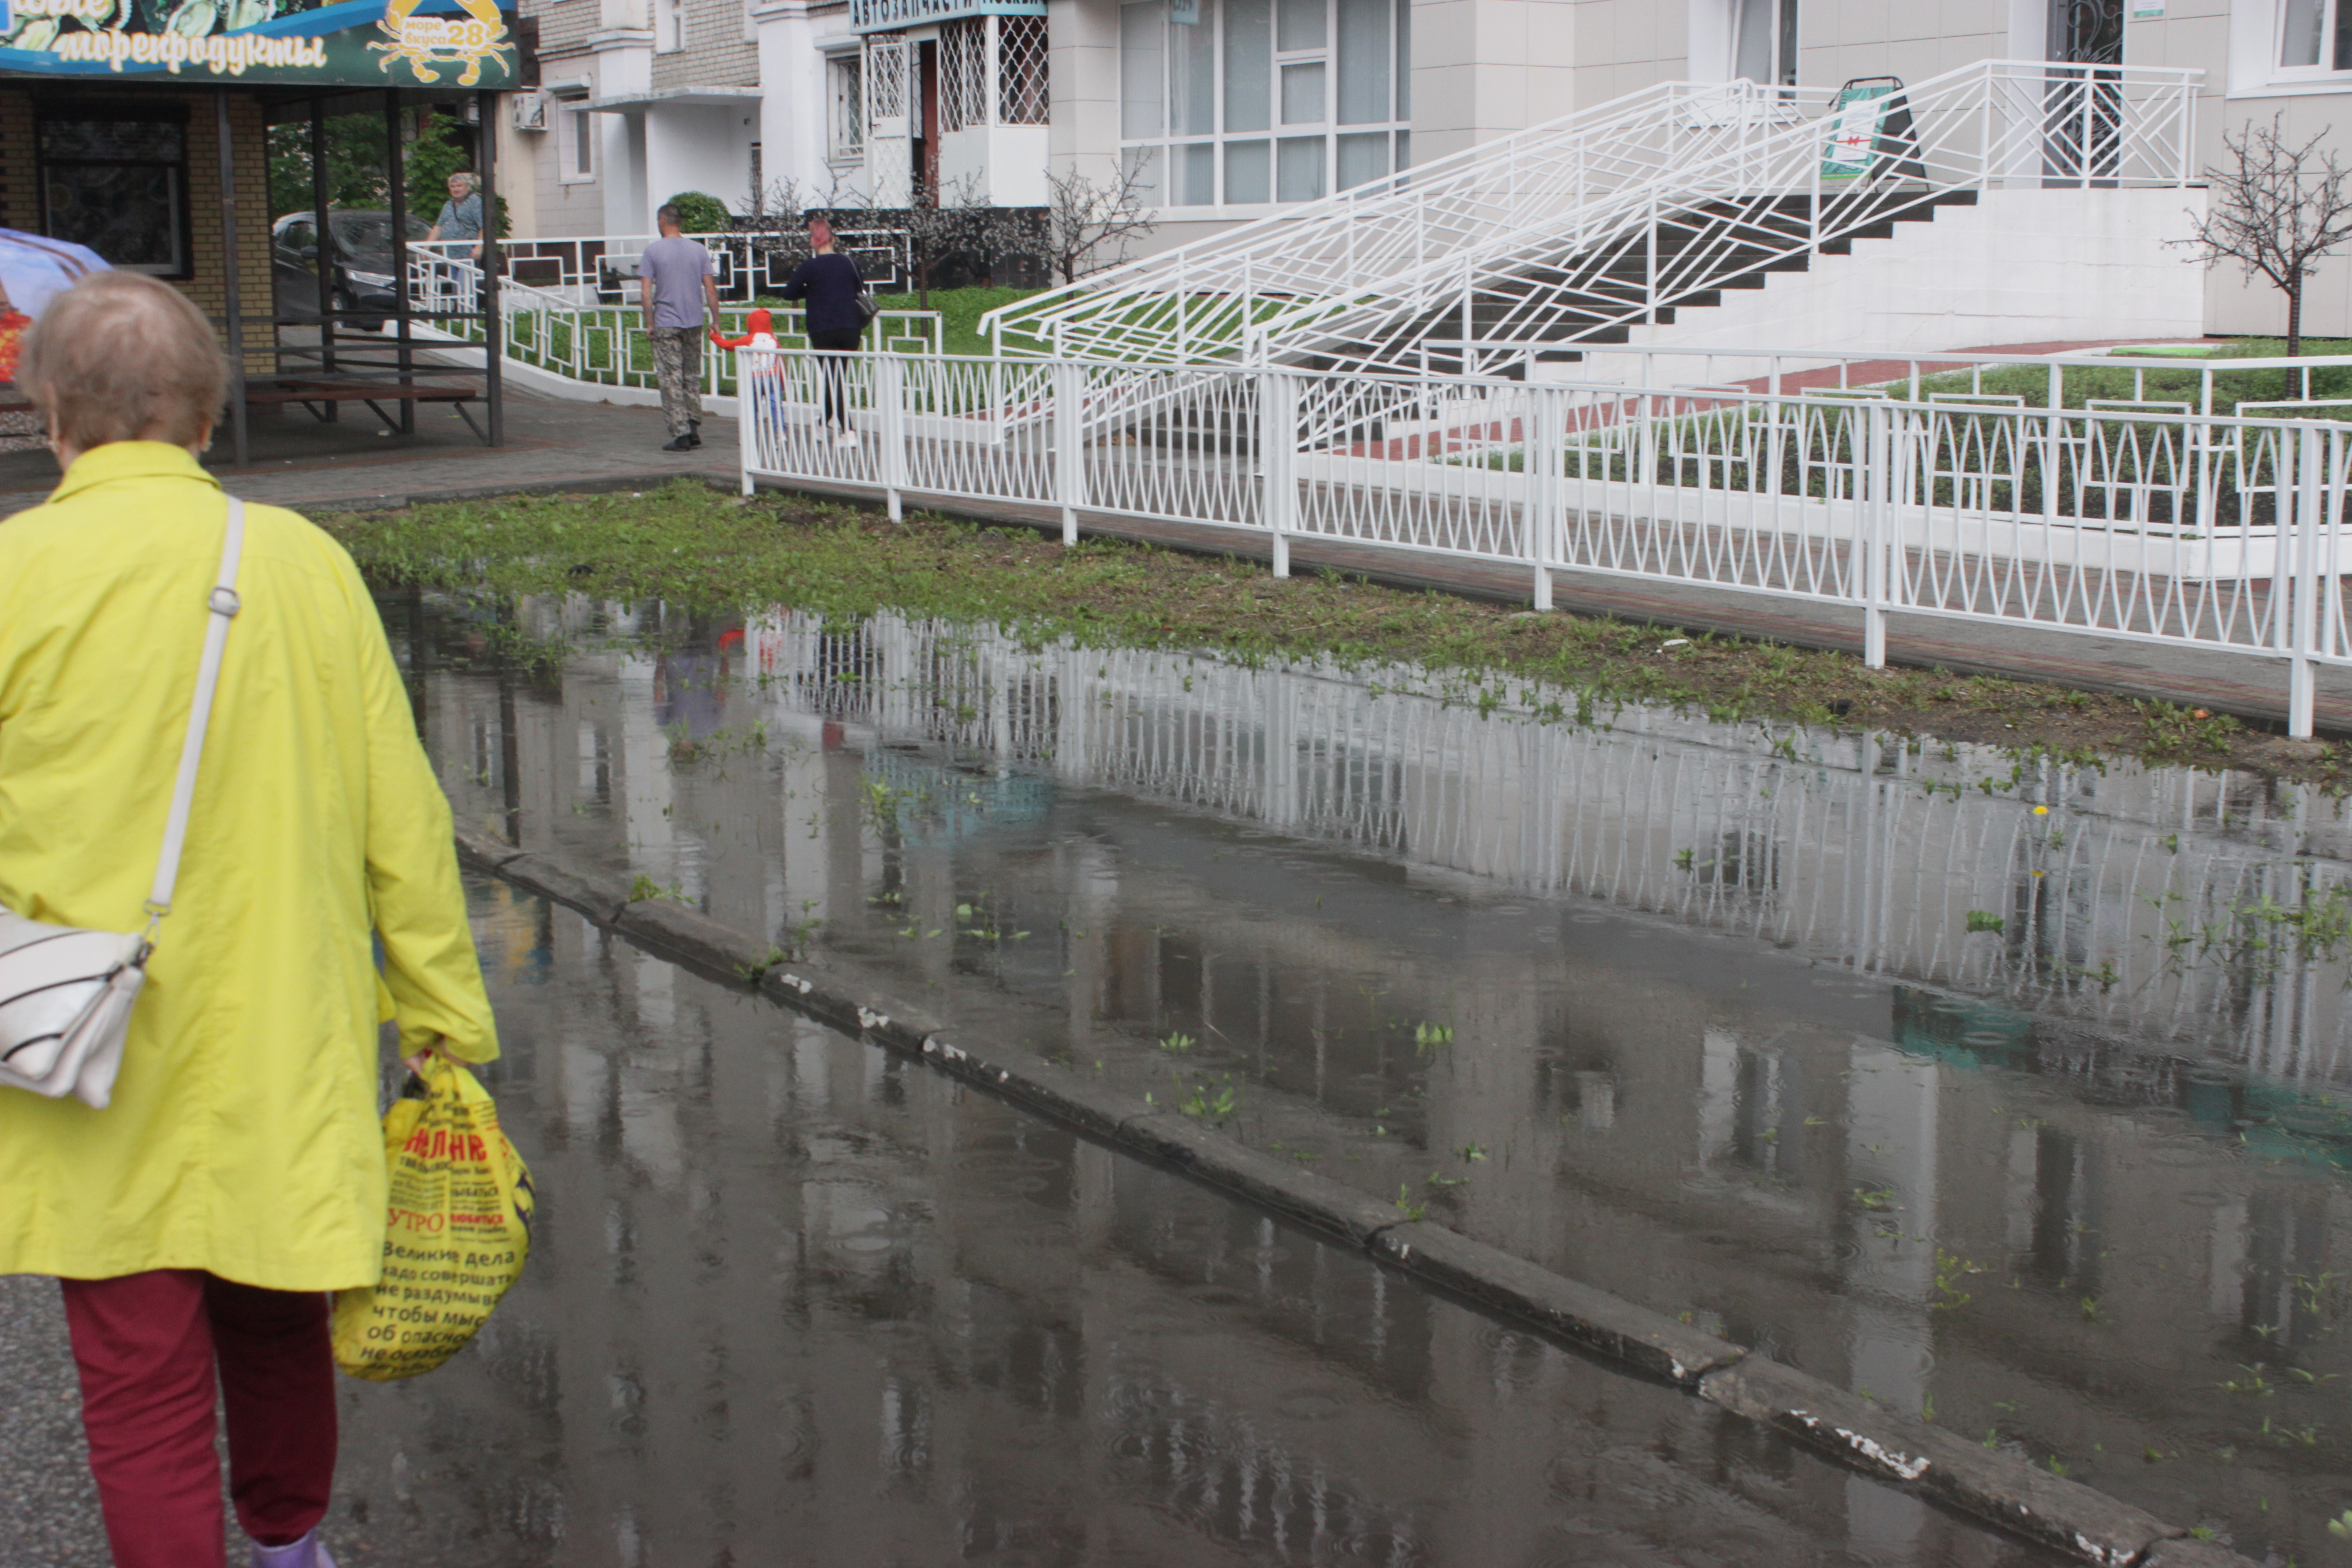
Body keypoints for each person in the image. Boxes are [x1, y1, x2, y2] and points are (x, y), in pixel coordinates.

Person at [0, 271, 499, 1568]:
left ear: (47, 411)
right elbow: (404, 816)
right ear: (208, 418)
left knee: (137, 1376)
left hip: (82, 1049)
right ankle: (289, 1546)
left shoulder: (13, 573)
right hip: (287, 1030)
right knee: (279, 1317)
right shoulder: (301, 566)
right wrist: (441, 1013)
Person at [639, 202, 721, 453]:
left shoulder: (652, 251)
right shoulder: (698, 250)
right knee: (691, 376)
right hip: (694, 322)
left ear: (662, 221)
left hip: (666, 322)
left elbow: (645, 292)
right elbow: (710, 289)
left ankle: (681, 434)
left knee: (670, 378)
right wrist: (715, 320)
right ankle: (694, 427)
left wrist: (650, 322)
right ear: (681, 223)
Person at [779, 216, 866, 450]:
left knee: (831, 377)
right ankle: (822, 422)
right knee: (837, 379)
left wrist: (813, 291)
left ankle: (848, 431)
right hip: (851, 327)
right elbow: (859, 289)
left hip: (823, 328)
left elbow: (789, 293)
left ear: (813, 242)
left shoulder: (810, 267)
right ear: (833, 239)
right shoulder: (850, 262)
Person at [709, 305, 784, 455]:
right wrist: (782, 381)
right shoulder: (774, 340)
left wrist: (714, 336)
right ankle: (781, 434)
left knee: (752, 408)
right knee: (776, 407)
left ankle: (748, 437)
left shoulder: (749, 339)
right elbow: (781, 361)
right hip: (772, 378)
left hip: (754, 378)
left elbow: (728, 345)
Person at [423, 171, 483, 260]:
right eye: (453, 186)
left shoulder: (475, 202)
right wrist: (427, 247)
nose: (456, 189)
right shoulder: (448, 205)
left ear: (467, 187)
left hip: (469, 256)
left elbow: (484, 227)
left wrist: (479, 248)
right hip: (450, 256)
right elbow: (439, 227)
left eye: (459, 186)